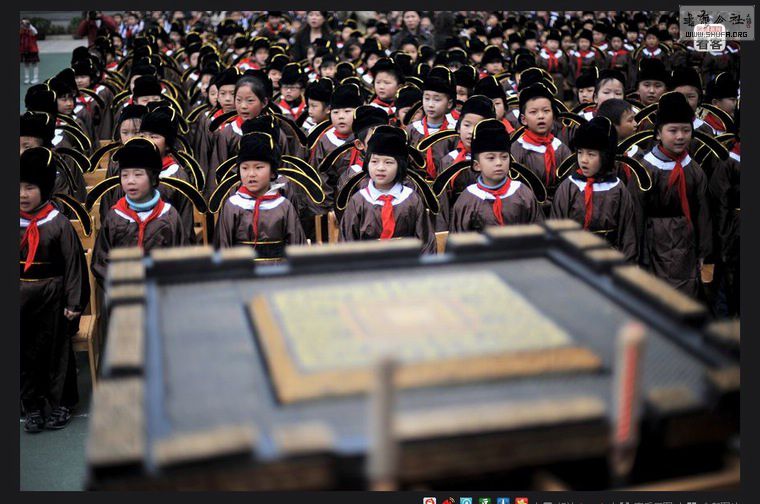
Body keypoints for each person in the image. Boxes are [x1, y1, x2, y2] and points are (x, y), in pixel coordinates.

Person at [20, 147, 89, 432]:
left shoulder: (58, 224)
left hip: (53, 295)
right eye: (18, 187)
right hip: (21, 297)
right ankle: (32, 405)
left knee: (57, 352)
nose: (22, 194)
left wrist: (74, 303)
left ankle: (62, 403)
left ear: (45, 188)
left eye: (30, 187)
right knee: (24, 351)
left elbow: (74, 265)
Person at [638, 92, 712, 297]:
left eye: (686, 130)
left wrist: (704, 251)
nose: (680, 136)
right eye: (673, 130)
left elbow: (703, 212)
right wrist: (639, 254)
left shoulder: (694, 169)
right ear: (658, 134)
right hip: (654, 241)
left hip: (686, 241)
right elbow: (636, 212)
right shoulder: (646, 169)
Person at [92, 138, 189, 285]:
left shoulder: (169, 216)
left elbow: (181, 259)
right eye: (125, 175)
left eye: (138, 174)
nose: (130, 181)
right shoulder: (115, 217)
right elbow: (101, 262)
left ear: (153, 178)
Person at [550, 117, 639, 262]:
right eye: (580, 152)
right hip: (573, 258)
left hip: (609, 260)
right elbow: (556, 228)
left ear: (605, 156)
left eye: (591, 154)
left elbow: (628, 234)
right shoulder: (569, 187)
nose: (583, 160)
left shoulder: (617, 188)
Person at [339, 125, 436, 254]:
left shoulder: (412, 200)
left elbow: (426, 243)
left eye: (388, 162)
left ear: (399, 165)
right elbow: (347, 243)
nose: (380, 168)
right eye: (374, 161)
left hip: (407, 263)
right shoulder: (358, 201)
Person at [213, 132, 306, 259]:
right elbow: (223, 248)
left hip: (279, 269)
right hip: (242, 269)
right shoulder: (232, 206)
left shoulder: (284, 206)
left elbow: (298, 248)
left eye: (258, 167)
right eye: (245, 168)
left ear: (272, 172)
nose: (251, 174)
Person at [450, 118, 543, 232]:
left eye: (504, 157)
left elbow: (538, 233)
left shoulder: (523, 193)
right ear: (477, 165)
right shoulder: (467, 200)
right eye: (491, 158)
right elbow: (458, 239)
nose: (499, 163)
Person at [510, 83, 572, 210]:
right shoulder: (517, 149)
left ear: (553, 116)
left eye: (546, 111)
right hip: (526, 208)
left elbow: (569, 186)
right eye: (533, 112)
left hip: (558, 208)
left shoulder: (561, 149)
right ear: (523, 119)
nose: (541, 116)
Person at [20, 18, 40, 85]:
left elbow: (36, 32)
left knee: (34, 64)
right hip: (24, 51)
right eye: (22, 23)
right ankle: (27, 79)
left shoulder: (32, 31)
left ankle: (35, 79)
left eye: (25, 23)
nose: (23, 25)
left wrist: (29, 25)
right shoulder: (22, 32)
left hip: (33, 50)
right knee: (26, 64)